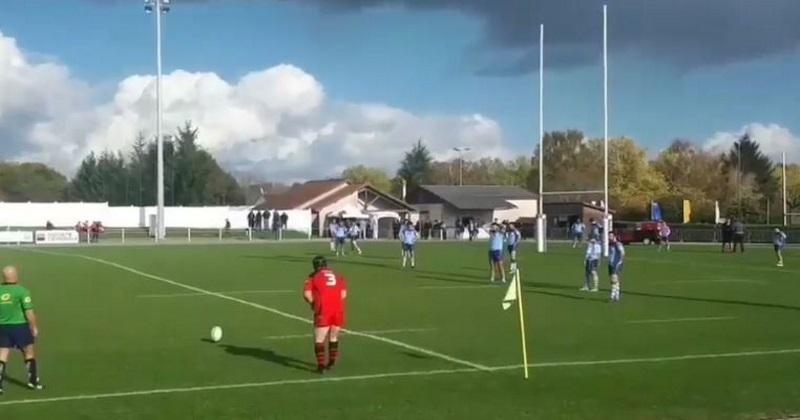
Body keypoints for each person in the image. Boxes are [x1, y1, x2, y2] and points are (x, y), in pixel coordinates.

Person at [0, 266, 42, 393]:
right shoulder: (22, 291)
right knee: (29, 353)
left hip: (2, 327)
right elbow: (29, 311)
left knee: (2, 355)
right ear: (15, 275)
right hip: (20, 326)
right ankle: (33, 381)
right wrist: (34, 327)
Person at [303, 256, 347, 374]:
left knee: (319, 339)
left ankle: (321, 366)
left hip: (323, 311)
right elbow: (343, 294)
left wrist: (313, 304)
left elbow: (307, 294)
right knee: (334, 336)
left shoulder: (313, 277)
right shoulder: (337, 275)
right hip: (338, 310)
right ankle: (332, 361)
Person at [608, 233, 625, 303]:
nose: (609, 237)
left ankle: (612, 295)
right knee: (614, 280)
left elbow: (622, 253)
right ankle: (617, 295)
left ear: (614, 236)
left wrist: (620, 261)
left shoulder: (618, 244)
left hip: (616, 264)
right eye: (609, 236)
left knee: (614, 280)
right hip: (611, 264)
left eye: (611, 236)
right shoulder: (610, 244)